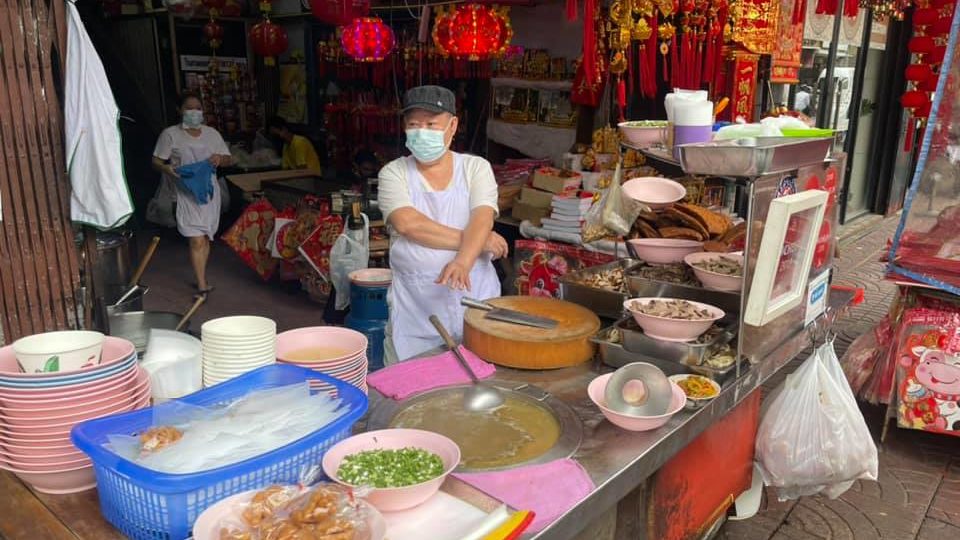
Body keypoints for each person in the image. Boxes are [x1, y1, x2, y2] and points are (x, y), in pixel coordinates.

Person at [378, 85, 509, 363]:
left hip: (476, 307)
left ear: (453, 126)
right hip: (416, 314)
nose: (421, 131)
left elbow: (482, 216)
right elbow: (408, 224)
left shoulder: (476, 168)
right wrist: (478, 241)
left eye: (431, 124)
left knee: (477, 393)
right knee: (413, 396)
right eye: (414, 124)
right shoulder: (393, 173)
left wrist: (463, 261)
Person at [152, 93, 231, 295]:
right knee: (195, 238)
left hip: (209, 192)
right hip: (186, 192)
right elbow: (157, 161)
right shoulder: (170, 135)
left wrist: (219, 159)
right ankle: (202, 284)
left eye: (198, 108)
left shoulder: (212, 134)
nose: (194, 112)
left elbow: (228, 159)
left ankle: (202, 276)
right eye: (189, 108)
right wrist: (168, 169)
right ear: (180, 110)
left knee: (205, 237)